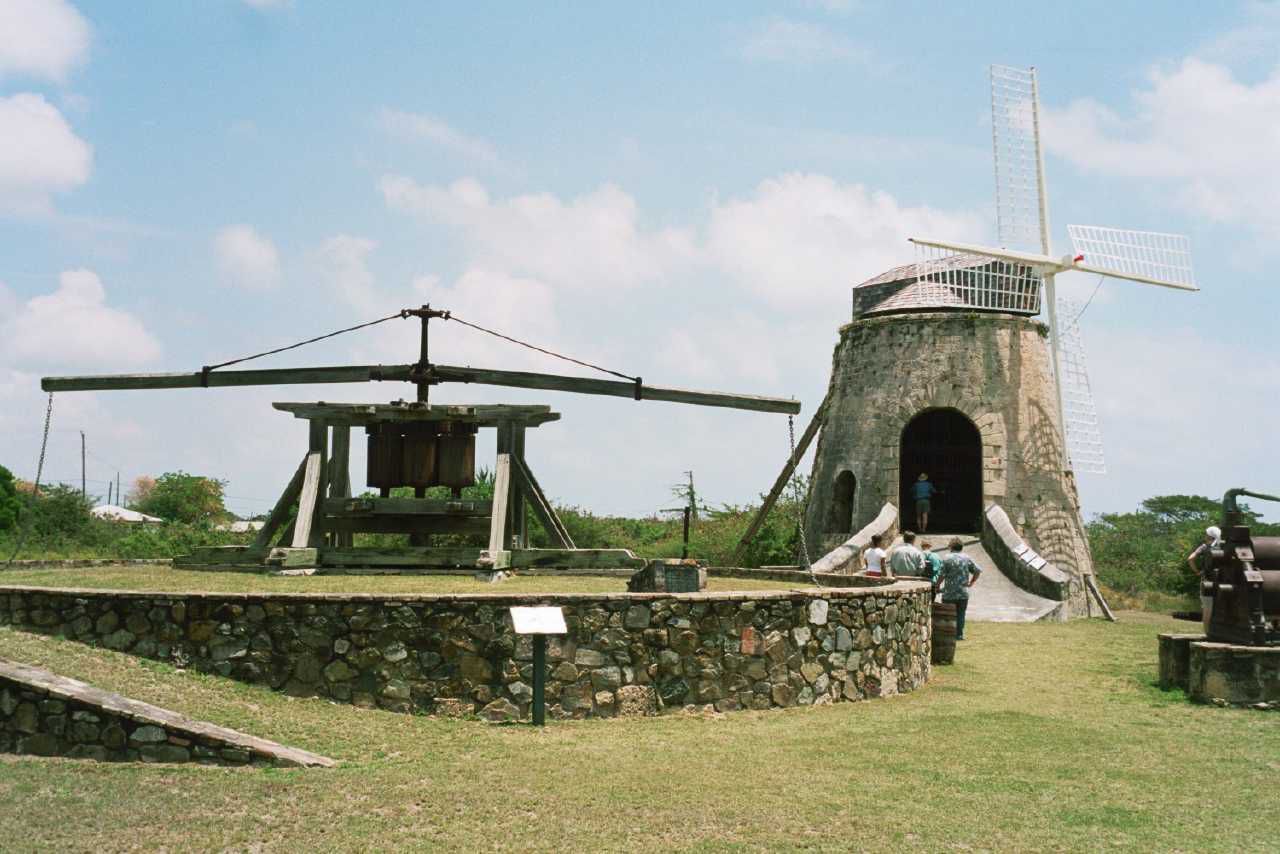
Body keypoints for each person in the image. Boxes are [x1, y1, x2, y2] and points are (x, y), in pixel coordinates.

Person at [939, 537, 981, 640]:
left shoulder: (947, 558)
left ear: (951, 547)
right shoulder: (966, 558)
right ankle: (959, 634)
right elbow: (977, 570)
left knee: (948, 615)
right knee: (961, 614)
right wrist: (971, 582)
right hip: (963, 592)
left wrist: (937, 585)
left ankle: (948, 634)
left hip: (949, 592)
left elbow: (942, 575)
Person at [1187, 525, 1221, 634]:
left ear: (1209, 536)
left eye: (1206, 534)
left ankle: (1208, 634)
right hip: (1221, 583)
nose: (1205, 536)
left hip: (1207, 583)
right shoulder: (1222, 548)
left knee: (1207, 612)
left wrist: (1197, 571)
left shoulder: (1204, 547)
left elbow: (1190, 559)